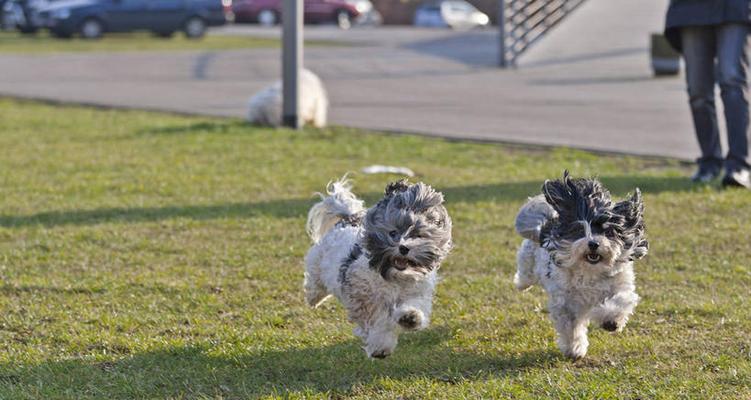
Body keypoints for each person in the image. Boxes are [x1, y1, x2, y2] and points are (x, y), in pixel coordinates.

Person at [665, 0, 751, 189]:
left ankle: (738, 165)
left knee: (732, 80)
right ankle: (709, 163)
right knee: (698, 90)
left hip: (735, 7)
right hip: (690, 10)